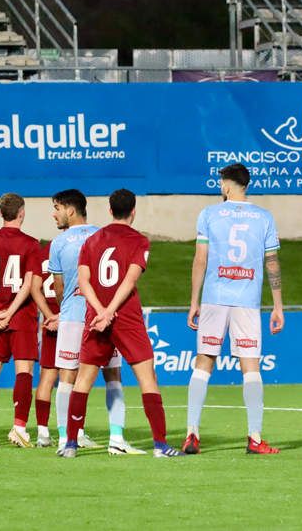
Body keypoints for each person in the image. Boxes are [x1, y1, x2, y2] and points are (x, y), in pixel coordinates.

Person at [60, 189, 183, 458]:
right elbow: (129, 280)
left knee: (83, 381)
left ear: (110, 210)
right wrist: (111, 312)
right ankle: (161, 446)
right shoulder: (139, 241)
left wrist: (100, 312)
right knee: (148, 379)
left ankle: (70, 444)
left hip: (95, 319)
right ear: (133, 211)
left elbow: (83, 281)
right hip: (125, 317)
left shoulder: (92, 240)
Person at [183, 163, 284, 456]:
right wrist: (277, 305)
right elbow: (272, 262)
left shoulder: (209, 214)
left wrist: (194, 301)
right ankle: (254, 438)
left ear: (227, 186)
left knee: (204, 363)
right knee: (250, 366)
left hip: (215, 298)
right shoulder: (264, 217)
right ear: (246, 185)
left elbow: (200, 259)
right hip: (248, 301)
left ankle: (192, 433)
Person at [48, 189, 142, 454]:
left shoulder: (59, 242)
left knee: (68, 377)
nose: (53, 214)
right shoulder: (103, 236)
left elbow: (59, 287)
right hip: (102, 318)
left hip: (72, 317)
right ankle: (116, 438)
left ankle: (68, 437)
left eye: (57, 208)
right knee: (113, 375)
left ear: (70, 209)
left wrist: (66, 306)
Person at [0, 193, 49, 448]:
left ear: (1, 213)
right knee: (24, 372)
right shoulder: (30, 244)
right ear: (21, 212)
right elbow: (29, 283)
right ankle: (19, 428)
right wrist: (10, 311)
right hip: (22, 317)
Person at [33, 239, 62, 448]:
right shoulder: (73, 251)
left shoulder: (42, 253)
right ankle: (74, 432)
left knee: (47, 377)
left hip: (49, 321)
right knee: (73, 380)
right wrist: (62, 316)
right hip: (70, 319)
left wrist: (49, 316)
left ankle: (42, 432)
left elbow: (36, 289)